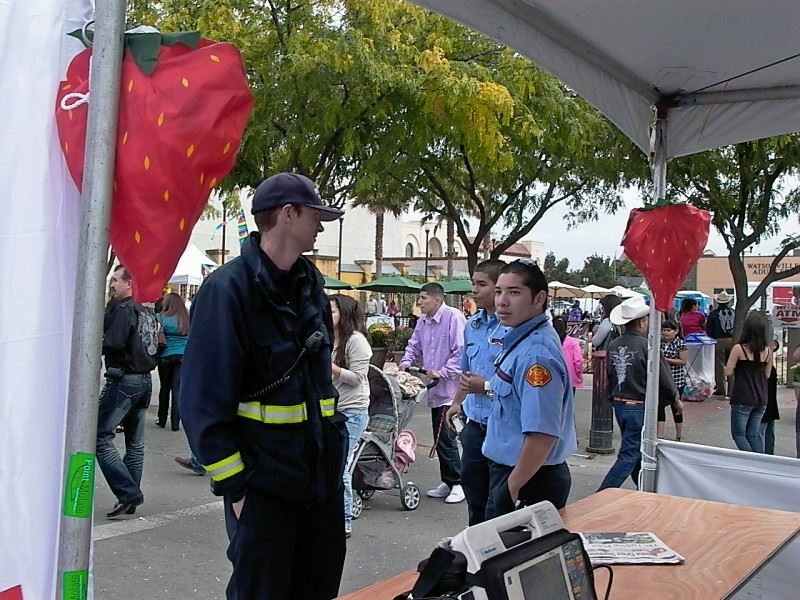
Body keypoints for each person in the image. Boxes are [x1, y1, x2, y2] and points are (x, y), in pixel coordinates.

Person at [181, 172, 348, 599]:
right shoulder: (227, 290)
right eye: (316, 216)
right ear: (287, 215)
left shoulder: (309, 284)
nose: (322, 226)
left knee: (317, 588)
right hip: (263, 489)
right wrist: (238, 492)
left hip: (318, 482)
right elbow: (203, 405)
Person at [482, 260, 576, 519]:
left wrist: (512, 487)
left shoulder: (536, 355)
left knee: (514, 557)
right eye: (499, 291)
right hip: (517, 473)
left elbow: (542, 434)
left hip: (529, 479)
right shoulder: (520, 339)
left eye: (514, 292)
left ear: (539, 299)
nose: (501, 301)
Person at [444, 260, 506, 525]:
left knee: (499, 503)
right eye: (473, 284)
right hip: (474, 426)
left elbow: (515, 386)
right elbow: (466, 372)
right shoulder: (472, 326)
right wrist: (456, 402)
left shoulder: (511, 327)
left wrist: (487, 387)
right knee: (475, 497)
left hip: (502, 427)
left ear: (498, 288)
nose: (474, 290)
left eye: (482, 284)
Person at [97, 265, 158, 518]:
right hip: (143, 380)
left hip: (124, 380)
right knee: (135, 443)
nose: (112, 284)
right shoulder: (145, 311)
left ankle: (129, 493)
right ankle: (129, 496)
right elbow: (159, 344)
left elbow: (113, 342)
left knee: (99, 437)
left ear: (128, 284)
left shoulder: (124, 310)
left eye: (115, 280)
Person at [598, 296, 677, 490]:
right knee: (630, 453)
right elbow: (664, 377)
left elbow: (609, 375)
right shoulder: (646, 345)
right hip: (638, 404)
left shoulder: (614, 344)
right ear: (642, 322)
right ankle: (603, 492)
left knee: (635, 450)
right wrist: (675, 398)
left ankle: (646, 488)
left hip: (619, 401)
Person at [399, 282, 466, 504]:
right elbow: (414, 344)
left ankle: (458, 482)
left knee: (446, 436)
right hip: (434, 389)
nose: (419, 302)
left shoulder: (453, 318)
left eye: (424, 298)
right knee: (439, 436)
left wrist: (443, 371)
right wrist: (406, 361)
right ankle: (448, 481)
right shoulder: (423, 321)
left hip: (452, 390)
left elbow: (461, 352)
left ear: (437, 300)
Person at [329, 294, 372, 538]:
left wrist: (331, 367)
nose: (327, 315)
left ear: (343, 315)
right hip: (331, 409)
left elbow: (357, 378)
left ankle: (344, 520)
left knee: (341, 466)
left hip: (352, 411)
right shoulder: (328, 337)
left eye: (332, 311)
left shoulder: (356, 341)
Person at [725, 312, 772, 453]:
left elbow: (728, 371)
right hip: (761, 396)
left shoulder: (739, 349)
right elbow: (767, 375)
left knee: (738, 434)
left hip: (743, 395)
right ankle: (760, 461)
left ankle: (751, 460)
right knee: (753, 434)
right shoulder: (768, 351)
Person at [155, 293, 189, 431]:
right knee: (177, 390)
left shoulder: (161, 318)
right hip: (182, 356)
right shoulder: (186, 319)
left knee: (165, 388)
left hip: (166, 356)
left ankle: (162, 419)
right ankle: (175, 422)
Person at [658, 320, 686, 441]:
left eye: (668, 330)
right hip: (661, 381)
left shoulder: (680, 344)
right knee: (659, 407)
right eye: (663, 330)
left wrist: (666, 360)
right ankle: (660, 434)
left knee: (676, 407)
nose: (665, 333)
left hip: (676, 380)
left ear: (676, 331)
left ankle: (679, 434)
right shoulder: (659, 343)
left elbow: (683, 361)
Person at [706, 291, 735, 398]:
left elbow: (708, 329)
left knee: (719, 366)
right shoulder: (734, 312)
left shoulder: (713, 314)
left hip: (718, 340)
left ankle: (721, 388)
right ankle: (732, 389)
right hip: (732, 340)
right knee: (732, 364)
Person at [552, 316, 583, 394]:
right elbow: (578, 360)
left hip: (553, 377)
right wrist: (578, 374)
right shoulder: (573, 342)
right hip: (570, 377)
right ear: (566, 327)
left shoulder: (550, 342)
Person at [760, 338, 780, 455]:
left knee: (760, 433)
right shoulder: (771, 369)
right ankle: (769, 456)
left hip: (764, 405)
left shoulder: (765, 368)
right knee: (768, 432)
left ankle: (763, 457)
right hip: (770, 406)